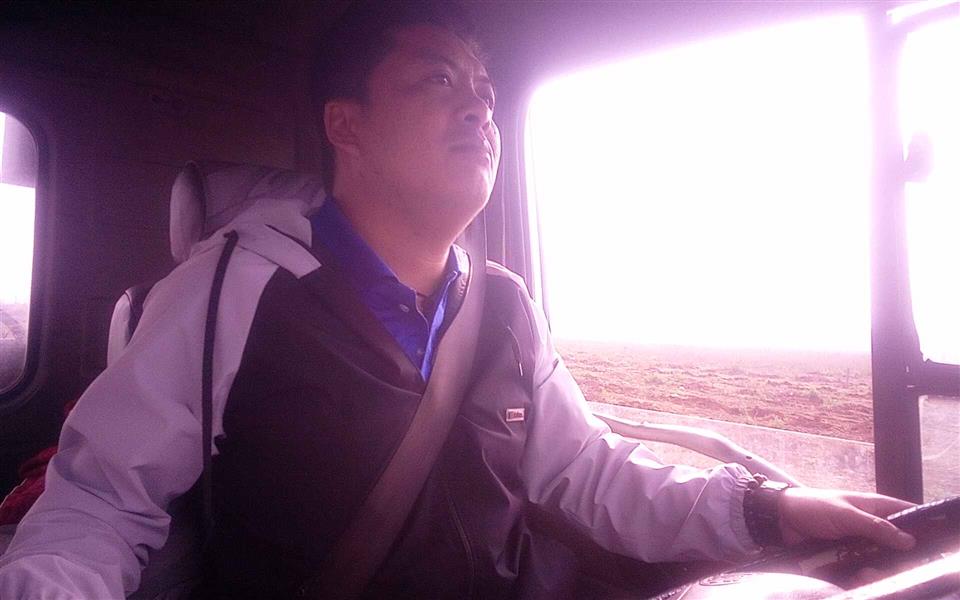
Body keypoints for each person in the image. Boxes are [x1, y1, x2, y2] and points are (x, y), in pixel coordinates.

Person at [0, 3, 915, 599]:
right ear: (347, 125)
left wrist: (766, 509)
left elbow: (587, 474)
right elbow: (99, 504)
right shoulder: (234, 288)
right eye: (440, 81)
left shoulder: (505, 307)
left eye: (486, 92)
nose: (481, 109)